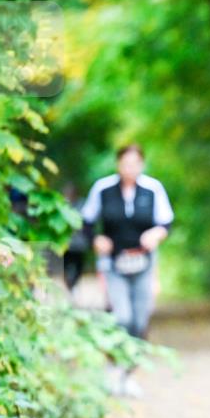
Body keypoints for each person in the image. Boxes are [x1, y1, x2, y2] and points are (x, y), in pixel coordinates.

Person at [81, 144, 174, 397]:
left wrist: (156, 234)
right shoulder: (103, 189)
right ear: (118, 164)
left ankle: (128, 375)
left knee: (140, 320)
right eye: (125, 163)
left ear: (141, 165)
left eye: (135, 163)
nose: (130, 168)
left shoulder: (153, 189)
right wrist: (96, 241)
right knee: (121, 317)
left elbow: (167, 222)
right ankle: (113, 370)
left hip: (144, 263)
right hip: (114, 264)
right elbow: (86, 221)